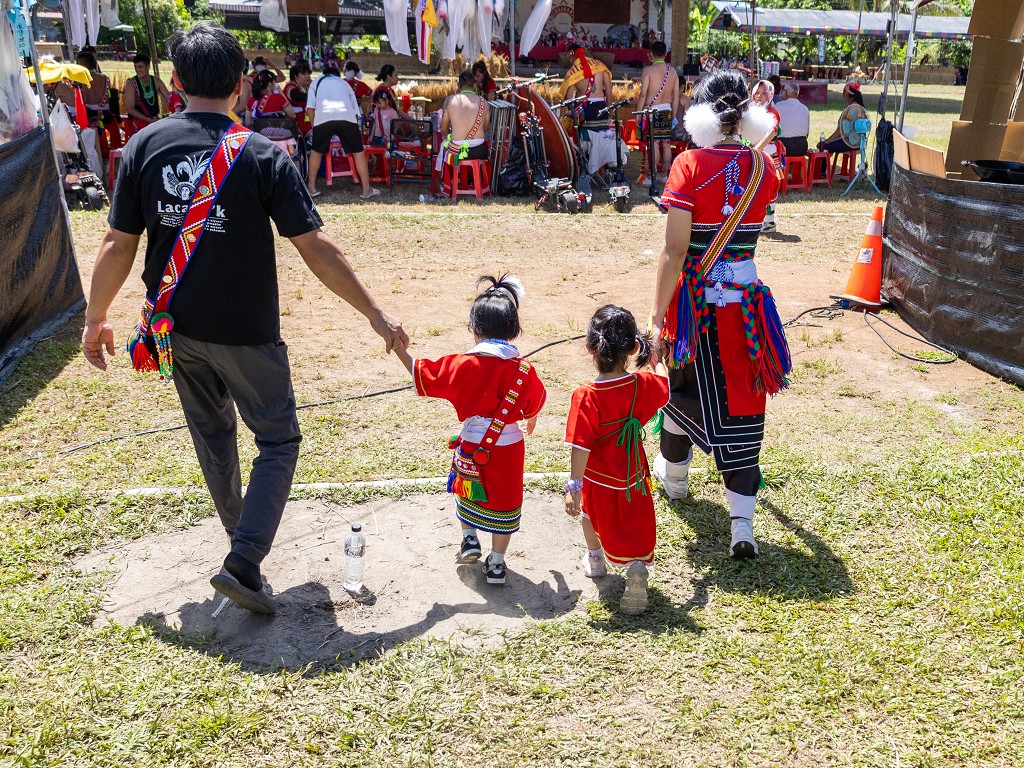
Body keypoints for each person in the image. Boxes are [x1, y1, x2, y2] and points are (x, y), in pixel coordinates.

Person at [82, 23, 406, 615]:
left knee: (213, 438)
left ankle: (241, 545)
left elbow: (116, 244)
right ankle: (244, 560)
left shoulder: (143, 147)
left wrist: (94, 317)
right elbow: (317, 249)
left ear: (175, 83)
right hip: (248, 333)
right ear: (240, 85)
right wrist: (376, 316)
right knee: (278, 439)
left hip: (173, 328)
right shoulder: (262, 155)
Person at [649, 69, 790, 560]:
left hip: (693, 312)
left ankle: (676, 482)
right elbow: (765, 166)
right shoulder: (763, 168)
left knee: (679, 394)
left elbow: (674, 249)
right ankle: (742, 528)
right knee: (746, 407)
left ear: (699, 114)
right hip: (746, 313)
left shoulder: (688, 164)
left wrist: (654, 318)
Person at [393, 276, 547, 586]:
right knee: (506, 501)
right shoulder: (524, 370)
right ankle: (498, 564)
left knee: (466, 491)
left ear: (474, 329)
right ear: (513, 329)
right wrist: (529, 417)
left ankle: (470, 539)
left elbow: (421, 372)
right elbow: (534, 404)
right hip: (510, 446)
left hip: (471, 443)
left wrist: (398, 348)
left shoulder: (463, 365)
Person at [564, 306, 669, 615]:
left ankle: (595, 560)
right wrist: (658, 360)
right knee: (634, 522)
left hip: (599, 478)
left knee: (590, 516)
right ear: (633, 347)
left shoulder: (587, 396)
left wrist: (574, 486)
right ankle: (636, 566)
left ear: (590, 347)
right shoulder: (642, 386)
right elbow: (664, 387)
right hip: (634, 474)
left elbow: (580, 446)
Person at [305, 65, 380, 200]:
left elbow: (310, 108)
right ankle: (366, 190)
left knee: (316, 151)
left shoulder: (316, 81)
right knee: (358, 152)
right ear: (337, 75)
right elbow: (356, 112)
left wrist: (315, 127)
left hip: (323, 117)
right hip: (346, 116)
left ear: (324, 73)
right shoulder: (344, 83)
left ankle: (311, 188)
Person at [436, 69, 490, 196]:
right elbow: (485, 128)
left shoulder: (450, 101)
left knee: (445, 148)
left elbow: (443, 129)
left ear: (458, 86)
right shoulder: (484, 102)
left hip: (457, 151)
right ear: (474, 85)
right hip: (479, 149)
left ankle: (448, 187)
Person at [636, 41, 679, 181]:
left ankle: (652, 175)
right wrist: (673, 115)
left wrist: (638, 113)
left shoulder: (648, 70)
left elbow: (643, 94)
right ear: (666, 54)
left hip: (652, 112)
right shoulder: (672, 72)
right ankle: (664, 174)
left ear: (651, 54)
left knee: (654, 143)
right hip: (667, 110)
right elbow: (676, 97)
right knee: (666, 143)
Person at [750, 79, 782, 233]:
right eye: (757, 92)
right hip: (755, 152)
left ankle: (769, 222)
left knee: (769, 187)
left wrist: (756, 148)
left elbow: (772, 133)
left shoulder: (772, 112)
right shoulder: (750, 111)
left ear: (770, 95)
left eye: (763, 93)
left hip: (767, 154)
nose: (759, 96)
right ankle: (756, 219)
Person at [76, 50, 120, 154]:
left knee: (98, 143)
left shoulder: (81, 80)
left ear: (83, 64)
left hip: (90, 118)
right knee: (114, 139)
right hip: (107, 114)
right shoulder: (105, 78)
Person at [559, 43, 612, 123]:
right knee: (602, 134)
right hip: (601, 105)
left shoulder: (572, 72)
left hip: (583, 109)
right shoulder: (600, 65)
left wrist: (570, 111)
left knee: (584, 134)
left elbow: (569, 97)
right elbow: (608, 90)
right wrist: (609, 108)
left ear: (571, 54)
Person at [124, 53, 169, 136]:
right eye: (135, 67)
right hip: (139, 124)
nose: (137, 70)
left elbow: (169, 98)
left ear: (148, 66)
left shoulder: (156, 80)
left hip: (154, 121)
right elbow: (130, 109)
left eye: (140, 67)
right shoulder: (131, 83)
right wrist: (148, 120)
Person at [818, 81, 867, 154]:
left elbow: (841, 130)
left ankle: (824, 165)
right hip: (859, 141)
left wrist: (828, 140)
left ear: (847, 93)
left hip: (851, 142)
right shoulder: (859, 107)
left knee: (824, 147)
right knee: (828, 146)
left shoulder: (853, 109)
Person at [774, 81, 810, 157]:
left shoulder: (778, 106)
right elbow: (807, 133)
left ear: (786, 93)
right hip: (802, 147)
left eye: (783, 91)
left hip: (784, 146)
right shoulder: (805, 108)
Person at [283, 62, 313, 137]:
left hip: (308, 119)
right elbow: (302, 97)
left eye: (308, 73)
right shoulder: (291, 87)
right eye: (303, 74)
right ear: (296, 76)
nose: (307, 76)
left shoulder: (306, 86)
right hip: (296, 122)